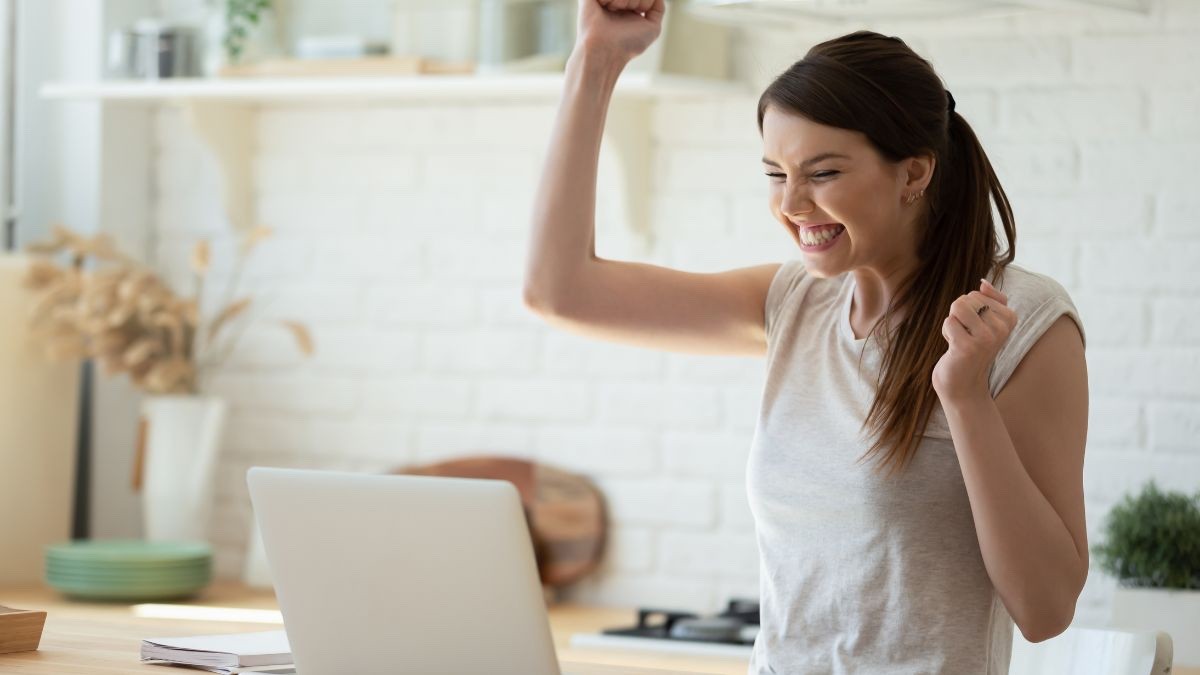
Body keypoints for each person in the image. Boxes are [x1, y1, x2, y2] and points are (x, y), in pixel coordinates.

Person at [522, 2, 1090, 673]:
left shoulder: (1020, 322)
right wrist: (597, 58)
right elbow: (558, 290)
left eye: (822, 174)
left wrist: (964, 397)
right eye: (775, 174)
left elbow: (1046, 608)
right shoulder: (794, 303)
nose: (791, 206)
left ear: (914, 171)